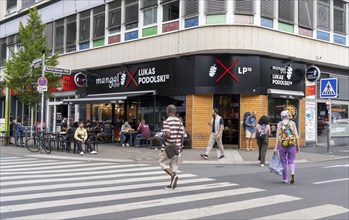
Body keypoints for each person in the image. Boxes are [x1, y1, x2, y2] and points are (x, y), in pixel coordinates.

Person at [159, 104, 185, 189]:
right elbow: (182, 136)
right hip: (177, 148)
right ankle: (172, 184)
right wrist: (180, 146)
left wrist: (162, 138)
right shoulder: (180, 122)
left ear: (168, 111)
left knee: (163, 163)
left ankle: (173, 177)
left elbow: (167, 134)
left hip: (168, 147)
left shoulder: (166, 121)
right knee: (174, 166)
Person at [273, 110, 300, 184]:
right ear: (287, 116)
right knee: (291, 161)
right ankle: (292, 173)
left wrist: (275, 147)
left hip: (282, 145)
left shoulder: (279, 124)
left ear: (282, 116)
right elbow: (296, 135)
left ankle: (285, 178)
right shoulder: (292, 123)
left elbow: (277, 136)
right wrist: (298, 146)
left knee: (283, 162)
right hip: (292, 145)